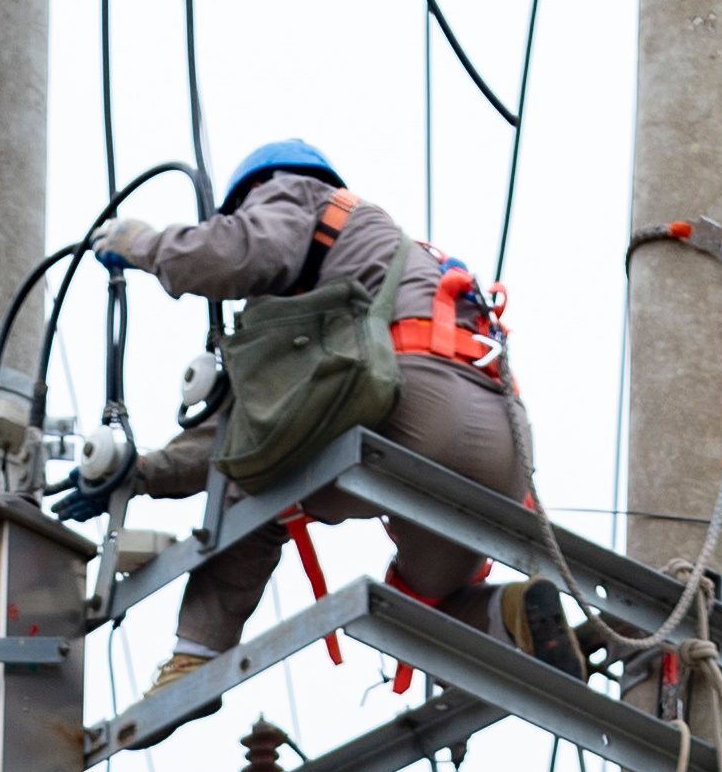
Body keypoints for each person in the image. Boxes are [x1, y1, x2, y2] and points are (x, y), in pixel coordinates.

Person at [86, 140, 553, 711]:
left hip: (419, 409)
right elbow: (246, 424)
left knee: (252, 489)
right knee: (427, 600)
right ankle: (514, 620)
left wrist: (144, 245)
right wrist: (144, 473)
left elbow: (240, 256)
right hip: (504, 447)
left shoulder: (294, 192)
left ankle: (195, 655)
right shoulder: (369, 270)